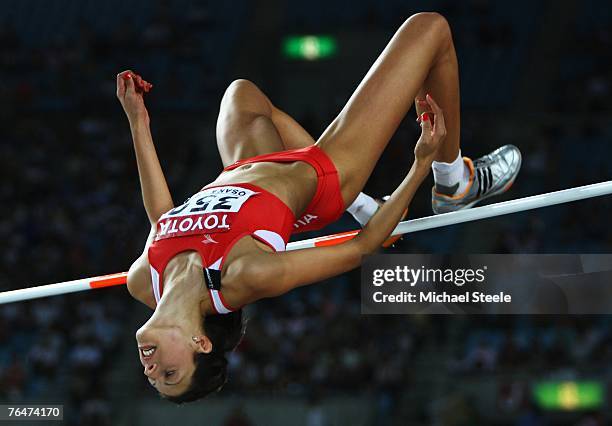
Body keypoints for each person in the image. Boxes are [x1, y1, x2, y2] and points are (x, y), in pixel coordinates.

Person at [120, 12, 521, 403]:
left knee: (241, 93)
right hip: (321, 180)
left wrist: (138, 122)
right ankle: (454, 182)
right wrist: (420, 166)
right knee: (429, 29)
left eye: (152, 378)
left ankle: (360, 202)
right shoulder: (245, 276)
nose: (150, 371)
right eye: (170, 374)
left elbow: (162, 218)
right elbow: (360, 249)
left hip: (247, 166)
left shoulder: (143, 280)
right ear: (200, 342)